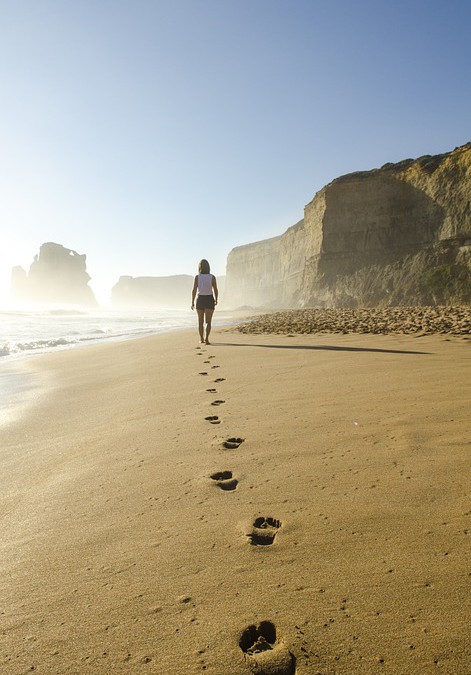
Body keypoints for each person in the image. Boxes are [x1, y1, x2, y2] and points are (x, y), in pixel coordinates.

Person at [191, 259, 218, 344]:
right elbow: (215, 289)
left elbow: (194, 290)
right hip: (209, 298)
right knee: (208, 321)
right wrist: (216, 299)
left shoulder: (197, 277)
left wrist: (192, 302)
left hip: (200, 299)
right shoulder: (212, 277)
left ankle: (201, 339)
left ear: (199, 267)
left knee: (200, 321)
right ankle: (207, 339)